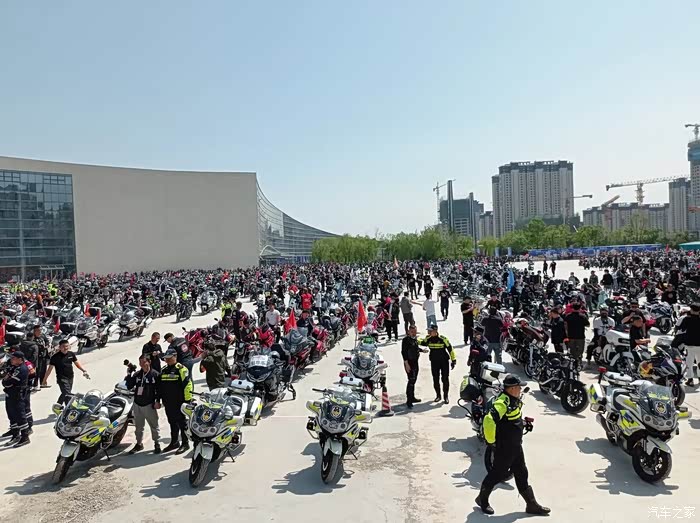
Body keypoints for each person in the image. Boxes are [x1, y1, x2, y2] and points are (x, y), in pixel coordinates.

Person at [476, 374, 550, 516]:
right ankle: (482, 499)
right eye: (518, 387)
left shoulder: (513, 400)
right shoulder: (502, 402)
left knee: (522, 473)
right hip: (505, 448)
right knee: (497, 474)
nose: (520, 390)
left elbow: (513, 418)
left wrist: (524, 423)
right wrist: (491, 442)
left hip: (515, 446)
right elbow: (489, 420)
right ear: (512, 388)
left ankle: (531, 505)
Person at [158, 348, 193, 454]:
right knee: (172, 422)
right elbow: (160, 387)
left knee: (182, 423)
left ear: (175, 357)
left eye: (169, 358)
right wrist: (159, 399)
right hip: (168, 402)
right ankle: (174, 442)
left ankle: (185, 443)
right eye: (166, 358)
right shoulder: (164, 370)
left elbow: (187, 385)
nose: (167, 360)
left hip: (179, 402)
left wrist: (187, 400)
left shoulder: (181, 369)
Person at [125, 354, 161, 454]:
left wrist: (158, 401)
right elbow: (129, 386)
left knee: (154, 425)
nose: (141, 364)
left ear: (149, 362)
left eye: (143, 362)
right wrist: (129, 374)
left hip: (149, 404)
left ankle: (157, 443)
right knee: (138, 427)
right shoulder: (137, 374)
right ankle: (139, 444)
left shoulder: (155, 375)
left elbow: (159, 390)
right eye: (140, 362)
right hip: (137, 404)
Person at [43, 339, 90, 404]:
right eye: (63, 346)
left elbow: (76, 363)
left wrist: (83, 370)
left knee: (67, 394)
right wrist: (45, 379)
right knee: (66, 393)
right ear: (59, 347)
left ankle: (64, 406)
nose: (65, 348)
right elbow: (49, 369)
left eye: (67, 346)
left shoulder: (71, 354)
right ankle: (59, 405)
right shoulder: (55, 357)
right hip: (61, 378)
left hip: (70, 377)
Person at [418, 324, 456, 404]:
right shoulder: (428, 339)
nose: (429, 332)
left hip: (444, 362)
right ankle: (438, 396)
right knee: (435, 379)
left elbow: (450, 349)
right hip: (434, 362)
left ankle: (446, 396)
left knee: (445, 379)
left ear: (435, 331)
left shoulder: (443, 339)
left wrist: (453, 360)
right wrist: (413, 338)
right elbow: (421, 342)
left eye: (430, 331)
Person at [2, 351, 31, 447]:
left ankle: (25, 437)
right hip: (10, 394)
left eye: (13, 358)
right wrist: (6, 380)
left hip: (17, 395)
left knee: (20, 415)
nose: (11, 360)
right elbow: (4, 380)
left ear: (20, 359)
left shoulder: (22, 369)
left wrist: (6, 380)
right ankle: (15, 435)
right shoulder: (13, 367)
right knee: (12, 415)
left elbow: (8, 382)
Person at [401, 324, 428, 408]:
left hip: (415, 362)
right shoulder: (406, 340)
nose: (414, 333)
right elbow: (404, 352)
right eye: (412, 332)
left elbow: (416, 348)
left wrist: (422, 350)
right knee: (411, 380)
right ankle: (409, 401)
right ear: (409, 331)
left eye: (415, 332)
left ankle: (412, 397)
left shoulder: (414, 339)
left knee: (414, 380)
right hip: (409, 363)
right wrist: (406, 364)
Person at [676, 303, 700, 386]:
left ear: (692, 310)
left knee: (689, 362)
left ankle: (690, 380)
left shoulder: (687, 319)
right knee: (699, 362)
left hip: (689, 344)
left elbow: (681, 328)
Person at [31, 324, 50, 390]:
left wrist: (47, 345)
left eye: (40, 330)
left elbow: (47, 341)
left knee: (43, 370)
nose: (40, 331)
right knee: (37, 371)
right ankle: (35, 385)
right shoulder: (33, 338)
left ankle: (42, 383)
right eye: (38, 330)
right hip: (37, 357)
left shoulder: (42, 335)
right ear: (35, 331)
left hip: (44, 355)